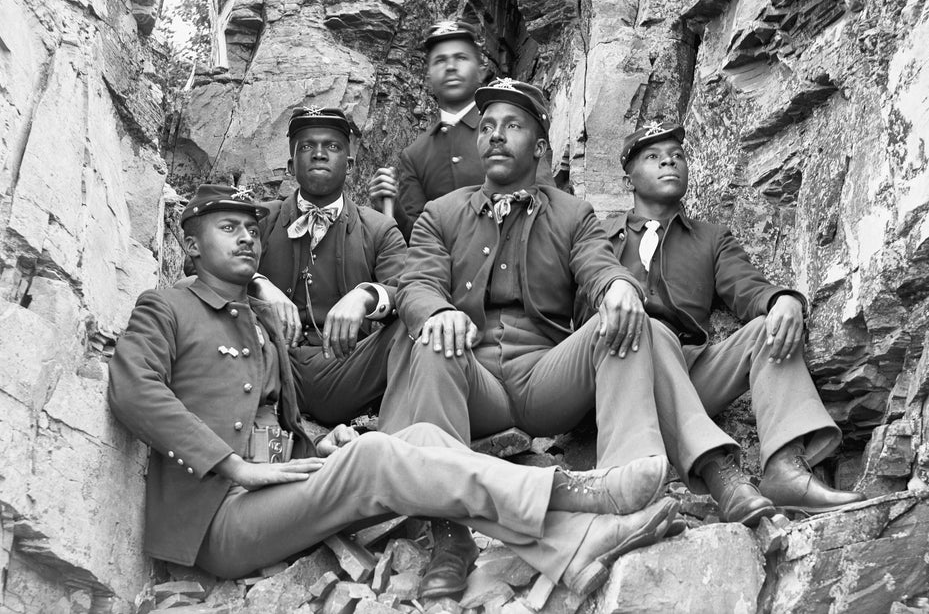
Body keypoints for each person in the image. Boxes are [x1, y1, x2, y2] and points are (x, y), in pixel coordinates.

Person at [107, 185, 683, 595]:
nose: (246, 240)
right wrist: (233, 467)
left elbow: (272, 426)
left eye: (252, 231)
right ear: (192, 246)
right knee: (381, 453)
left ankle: (575, 546)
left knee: (422, 434)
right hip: (219, 520)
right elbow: (133, 393)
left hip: (279, 494)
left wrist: (317, 448)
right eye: (227, 229)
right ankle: (573, 491)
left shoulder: (260, 323)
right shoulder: (166, 306)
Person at [378, 79, 752, 598]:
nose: (495, 136)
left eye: (512, 125)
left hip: (544, 376)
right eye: (486, 127)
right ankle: (450, 534)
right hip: (471, 378)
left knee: (623, 321)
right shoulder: (440, 214)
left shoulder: (573, 213)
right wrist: (438, 311)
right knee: (430, 342)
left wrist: (619, 286)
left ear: (539, 146)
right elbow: (416, 282)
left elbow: (598, 266)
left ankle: (628, 487)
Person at [583, 121, 865, 516]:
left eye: (677, 156)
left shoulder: (711, 238)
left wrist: (782, 300)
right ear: (628, 178)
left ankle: (786, 467)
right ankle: (719, 472)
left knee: (770, 327)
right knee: (647, 330)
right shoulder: (596, 237)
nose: (669, 161)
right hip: (620, 377)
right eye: (653, 157)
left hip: (690, 373)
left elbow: (746, 287)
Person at [248, 107, 407, 426]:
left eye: (332, 147)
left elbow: (410, 288)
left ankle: (401, 436)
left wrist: (366, 296)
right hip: (269, 365)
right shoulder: (259, 220)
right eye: (307, 147)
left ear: (348, 166)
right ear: (292, 165)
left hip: (348, 372)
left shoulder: (378, 228)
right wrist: (257, 284)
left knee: (417, 323)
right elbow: (199, 265)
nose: (319, 154)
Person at [367, 20, 551, 240]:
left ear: (482, 71)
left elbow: (547, 205)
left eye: (461, 58)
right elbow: (417, 239)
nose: (451, 67)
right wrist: (393, 206)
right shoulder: (416, 154)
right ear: (428, 76)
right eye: (440, 60)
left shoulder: (514, 129)